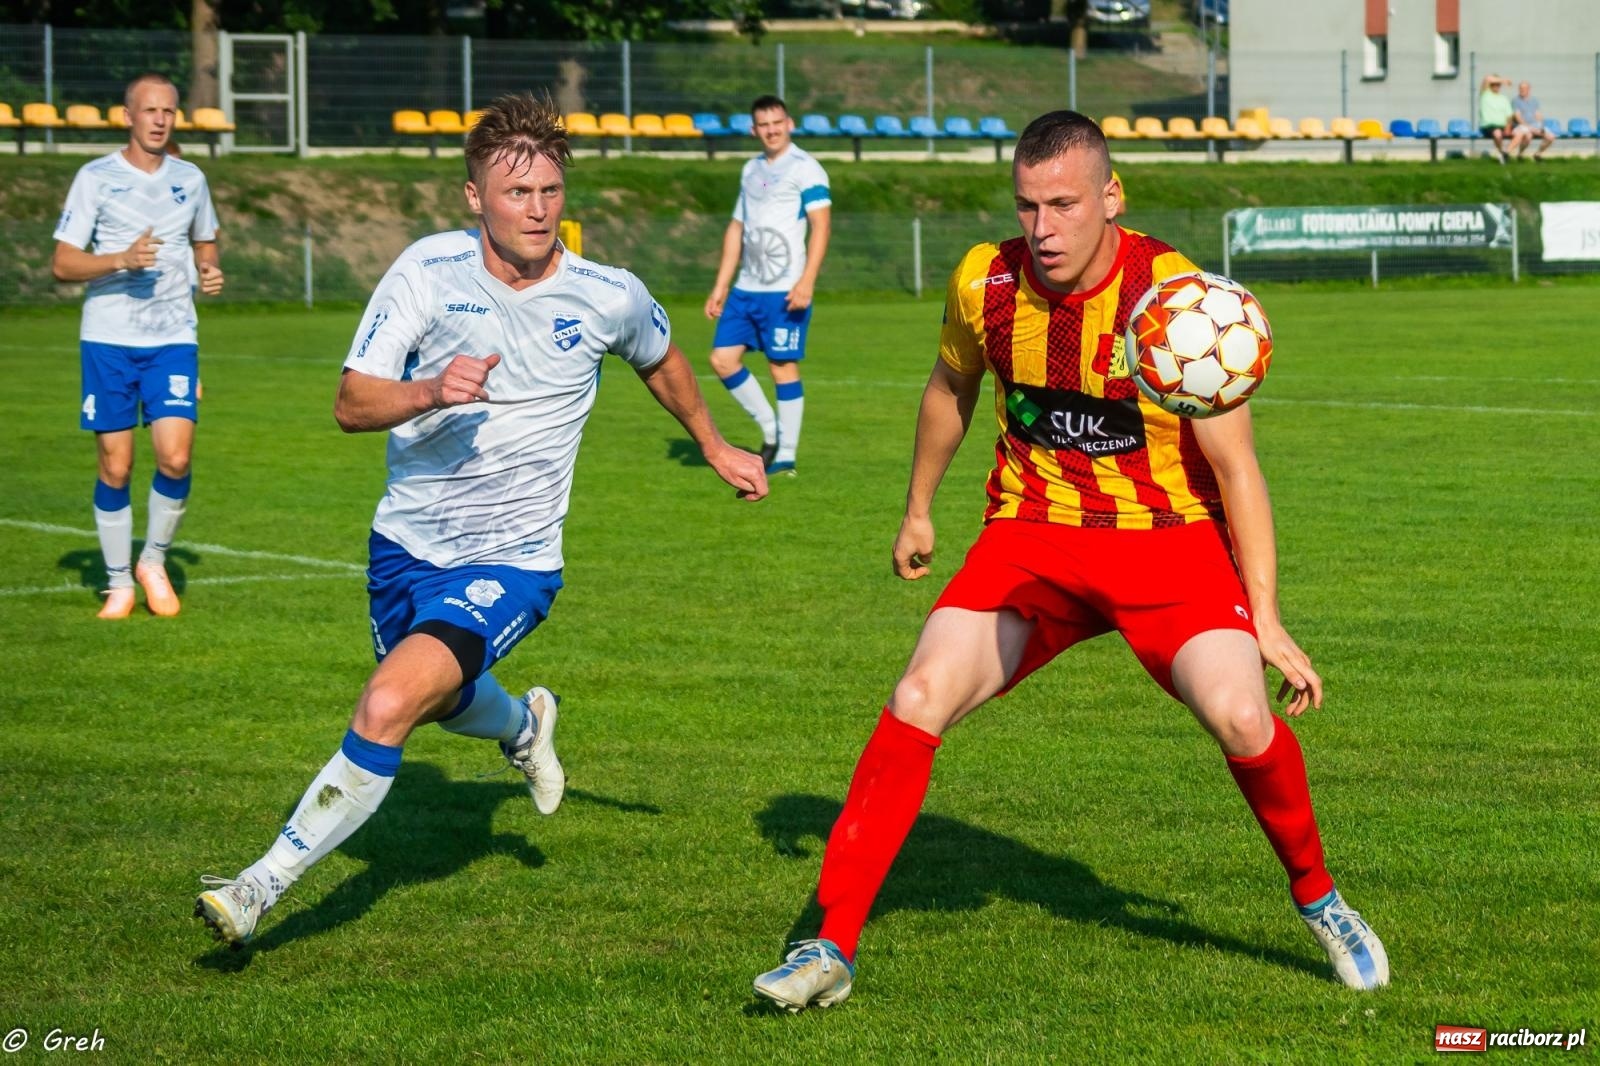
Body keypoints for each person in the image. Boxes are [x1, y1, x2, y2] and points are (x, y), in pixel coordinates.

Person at [752, 110, 1388, 1012]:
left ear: (1111, 195)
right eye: (1027, 205)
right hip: (1034, 535)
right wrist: (919, 510)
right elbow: (950, 386)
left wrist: (1269, 618)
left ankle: (1321, 900)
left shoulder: (1177, 298)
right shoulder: (985, 280)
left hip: (1167, 540)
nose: (1042, 228)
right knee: (919, 693)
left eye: (1063, 205)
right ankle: (829, 943)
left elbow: (1237, 468)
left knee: (1244, 716)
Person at [194, 92, 768, 947]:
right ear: (475, 197)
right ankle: (525, 724)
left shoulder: (607, 294)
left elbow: (663, 359)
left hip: (516, 559)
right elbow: (351, 404)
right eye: (516, 193)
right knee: (440, 698)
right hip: (406, 546)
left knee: (389, 700)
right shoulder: (427, 271)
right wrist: (431, 389)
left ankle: (257, 886)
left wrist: (715, 445)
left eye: (549, 191)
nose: (537, 210)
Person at [51, 72, 224, 619]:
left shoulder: (191, 178)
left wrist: (209, 268)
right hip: (108, 338)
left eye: (168, 111)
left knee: (176, 456)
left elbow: (205, 240)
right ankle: (118, 581)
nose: (159, 120)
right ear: (128, 116)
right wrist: (120, 260)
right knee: (116, 467)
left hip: (173, 337)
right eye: (150, 110)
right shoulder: (95, 177)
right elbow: (63, 263)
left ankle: (152, 561)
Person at [704, 95, 831, 477]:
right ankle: (771, 429)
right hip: (746, 288)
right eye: (764, 124)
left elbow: (821, 226)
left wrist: (807, 281)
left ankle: (786, 455)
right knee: (722, 359)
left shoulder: (806, 168)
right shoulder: (752, 170)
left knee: (781, 366)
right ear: (753, 129)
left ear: (789, 124)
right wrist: (721, 285)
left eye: (777, 122)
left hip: (785, 288)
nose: (771, 130)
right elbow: (737, 227)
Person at [1477, 74, 1521, 162]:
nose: (1496, 86)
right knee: (1497, 133)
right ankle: (1501, 152)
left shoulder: (1504, 98)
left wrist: (1508, 127)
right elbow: (1487, 78)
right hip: (1489, 125)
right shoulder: (1485, 94)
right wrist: (1504, 80)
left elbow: (1509, 115)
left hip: (1503, 125)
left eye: (1498, 84)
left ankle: (1505, 153)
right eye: (1494, 84)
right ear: (1490, 85)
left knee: (1521, 132)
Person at [1512, 81, 1557, 161]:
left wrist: (1541, 126)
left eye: (1524, 88)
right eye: (1520, 88)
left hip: (1534, 125)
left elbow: (1538, 114)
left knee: (1551, 137)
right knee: (1528, 136)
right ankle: (1520, 154)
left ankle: (1537, 154)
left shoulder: (1534, 100)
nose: (1522, 90)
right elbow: (1518, 117)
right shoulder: (1515, 100)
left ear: (1529, 89)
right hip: (1522, 126)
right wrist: (1529, 127)